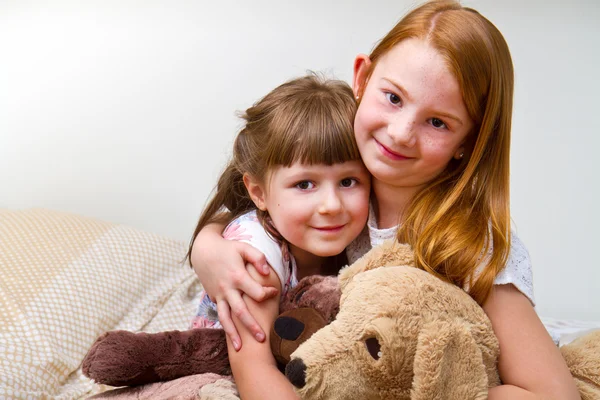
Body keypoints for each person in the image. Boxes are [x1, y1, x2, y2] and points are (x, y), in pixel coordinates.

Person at [190, 1, 580, 399]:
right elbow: (262, 208)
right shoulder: (346, 176)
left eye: (437, 122)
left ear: (468, 142)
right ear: (362, 78)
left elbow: (553, 393)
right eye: (393, 98)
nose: (400, 133)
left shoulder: (469, 247)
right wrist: (208, 247)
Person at [187, 74, 371, 399]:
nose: (331, 205)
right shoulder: (256, 257)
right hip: (224, 370)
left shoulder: (364, 234)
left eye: (348, 181)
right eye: (305, 184)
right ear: (258, 193)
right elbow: (253, 372)